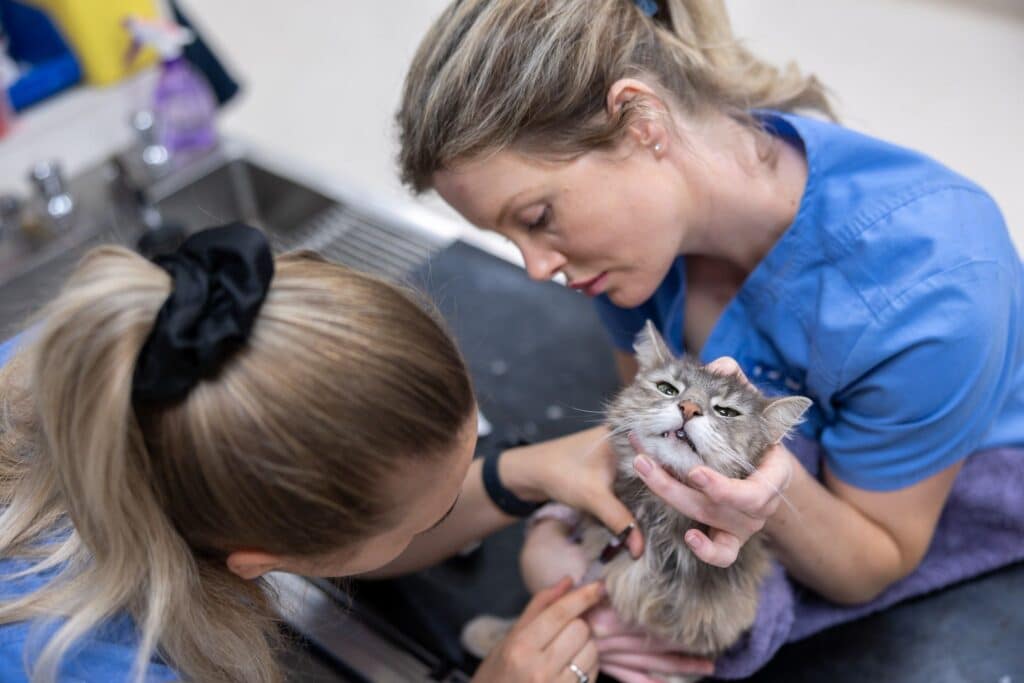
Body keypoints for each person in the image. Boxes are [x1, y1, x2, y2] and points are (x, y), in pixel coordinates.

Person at [396, 0, 1024, 679]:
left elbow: (872, 561)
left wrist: (767, 487)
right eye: (510, 239)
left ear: (642, 122)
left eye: (538, 216)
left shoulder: (935, 286)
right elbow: (639, 440)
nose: (538, 267)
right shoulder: (632, 259)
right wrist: (557, 530)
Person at [0, 223, 680, 683]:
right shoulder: (99, 662)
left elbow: (384, 515)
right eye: (423, 518)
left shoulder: (109, 362)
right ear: (263, 564)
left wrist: (520, 475)